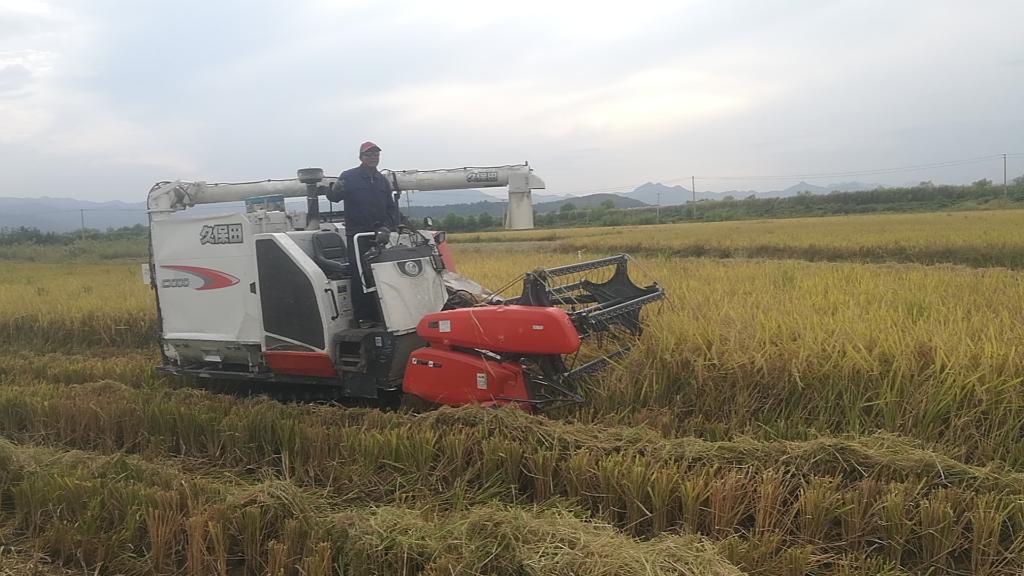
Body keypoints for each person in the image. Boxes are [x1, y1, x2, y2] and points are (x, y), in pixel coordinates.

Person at [326, 141, 400, 324]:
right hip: (358, 235)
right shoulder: (349, 177)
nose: (373, 157)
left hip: (379, 236)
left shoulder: (383, 181)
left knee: (380, 274)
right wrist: (333, 190)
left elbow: (392, 209)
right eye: (369, 154)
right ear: (361, 157)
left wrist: (386, 228)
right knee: (360, 275)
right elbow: (334, 198)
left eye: (376, 154)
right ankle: (363, 317)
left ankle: (381, 314)